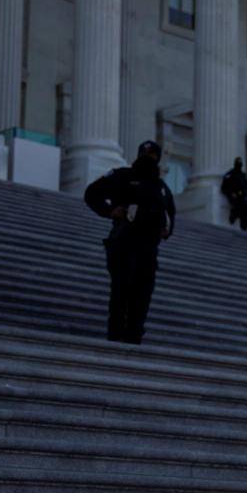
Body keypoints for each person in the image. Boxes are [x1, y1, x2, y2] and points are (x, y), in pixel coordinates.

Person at [84, 140, 176, 344]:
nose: (147, 157)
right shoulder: (121, 175)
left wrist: (168, 229)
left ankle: (134, 336)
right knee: (123, 286)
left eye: (151, 155)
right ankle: (115, 333)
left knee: (144, 291)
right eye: (144, 153)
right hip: (125, 240)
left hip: (150, 247)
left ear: (158, 159)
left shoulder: (161, 187)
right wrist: (109, 211)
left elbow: (171, 212)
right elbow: (92, 193)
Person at [220, 157, 247, 232]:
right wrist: (230, 193)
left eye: (240, 162)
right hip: (236, 197)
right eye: (238, 162)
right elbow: (224, 186)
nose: (239, 163)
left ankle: (244, 229)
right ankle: (234, 214)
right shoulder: (230, 174)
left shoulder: (243, 176)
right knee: (243, 208)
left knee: (246, 211)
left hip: (243, 197)